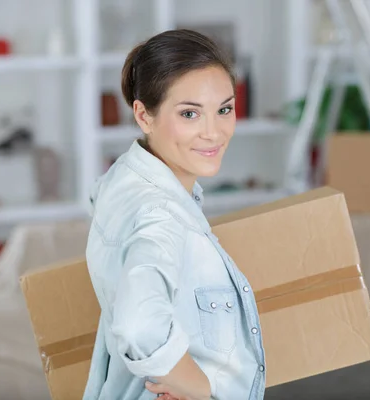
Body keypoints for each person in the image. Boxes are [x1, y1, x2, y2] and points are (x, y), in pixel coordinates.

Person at [84, 29, 266, 400]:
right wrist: (197, 385)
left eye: (224, 110)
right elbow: (138, 326)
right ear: (143, 115)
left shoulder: (125, 177)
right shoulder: (160, 214)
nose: (214, 133)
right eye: (189, 114)